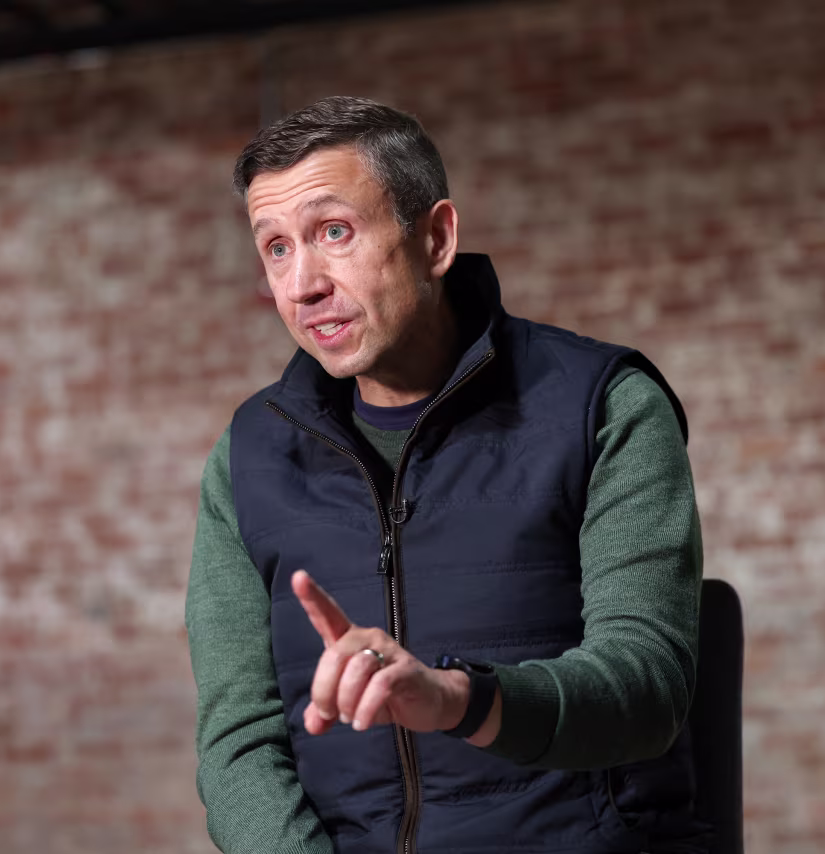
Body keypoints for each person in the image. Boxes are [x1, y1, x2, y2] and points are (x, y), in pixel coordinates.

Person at [185, 96, 706, 854]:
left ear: (435, 238)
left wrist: (459, 699)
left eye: (334, 232)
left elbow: (646, 686)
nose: (302, 285)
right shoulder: (250, 456)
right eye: (276, 248)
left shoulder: (605, 406)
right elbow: (239, 743)